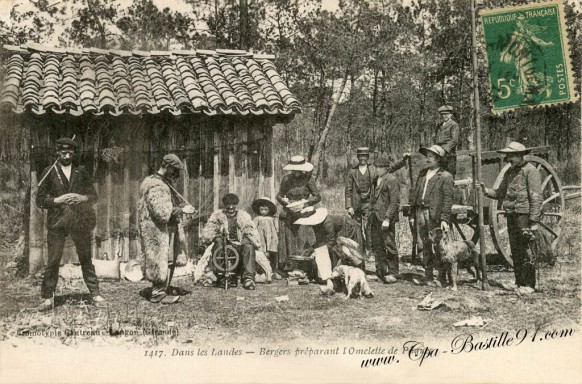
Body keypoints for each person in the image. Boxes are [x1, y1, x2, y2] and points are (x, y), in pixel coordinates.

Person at [36, 137, 104, 310]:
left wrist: (82, 198)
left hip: (79, 219)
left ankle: (95, 294)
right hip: (57, 222)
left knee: (86, 257)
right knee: (53, 260)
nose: (66, 156)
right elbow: (40, 200)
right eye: (63, 152)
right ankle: (47, 297)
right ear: (57, 152)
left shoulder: (81, 171)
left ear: (74, 153)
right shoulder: (49, 171)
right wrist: (58, 199)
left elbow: (93, 196)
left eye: (70, 153)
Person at [482, 142, 542, 291]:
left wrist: (534, 221)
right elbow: (500, 193)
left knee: (526, 250)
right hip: (511, 215)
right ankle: (519, 282)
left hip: (525, 215)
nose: (508, 158)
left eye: (511, 156)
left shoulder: (531, 171)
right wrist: (485, 190)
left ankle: (529, 285)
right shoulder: (510, 171)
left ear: (520, 155)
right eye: (508, 156)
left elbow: (536, 197)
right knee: (516, 250)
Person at [277, 155, 336, 294]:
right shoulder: (287, 179)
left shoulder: (308, 179)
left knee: (303, 238)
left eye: (299, 170)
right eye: (294, 170)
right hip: (290, 211)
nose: (296, 172)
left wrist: (307, 202)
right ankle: (290, 268)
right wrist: (284, 201)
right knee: (290, 238)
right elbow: (279, 195)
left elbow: (317, 196)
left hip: (304, 211)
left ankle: (305, 267)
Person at [138, 154, 190, 304]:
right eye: (174, 170)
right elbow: (161, 213)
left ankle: (163, 289)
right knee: (161, 260)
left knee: (170, 260)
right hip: (159, 230)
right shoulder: (156, 185)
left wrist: (180, 207)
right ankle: (157, 293)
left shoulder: (164, 183)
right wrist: (182, 210)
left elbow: (168, 207)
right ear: (166, 166)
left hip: (169, 228)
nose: (176, 174)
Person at [345, 147, 409, 255]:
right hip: (356, 205)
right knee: (356, 228)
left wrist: (403, 161)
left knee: (369, 227)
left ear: (368, 157)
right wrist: (349, 206)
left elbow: (390, 168)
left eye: (365, 156)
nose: (362, 158)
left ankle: (370, 250)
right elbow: (348, 190)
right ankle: (360, 251)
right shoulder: (352, 171)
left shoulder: (373, 169)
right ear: (357, 157)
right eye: (360, 156)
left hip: (369, 204)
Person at [409, 145, 454, 287]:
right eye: (426, 156)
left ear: (438, 159)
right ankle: (428, 276)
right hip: (420, 212)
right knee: (423, 244)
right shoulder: (423, 174)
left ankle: (440, 278)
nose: (427, 159)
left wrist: (444, 219)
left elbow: (448, 199)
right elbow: (415, 194)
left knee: (438, 246)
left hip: (434, 214)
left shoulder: (446, 176)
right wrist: (412, 214)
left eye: (430, 157)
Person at [201, 193, 261, 290]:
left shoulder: (244, 216)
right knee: (219, 242)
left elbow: (250, 230)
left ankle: (248, 278)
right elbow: (209, 230)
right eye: (228, 204)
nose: (231, 207)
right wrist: (217, 235)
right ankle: (219, 275)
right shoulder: (217, 215)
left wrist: (246, 238)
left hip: (239, 244)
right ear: (225, 205)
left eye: (233, 204)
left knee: (249, 246)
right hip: (225, 244)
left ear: (236, 205)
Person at [369, 157, 401, 284]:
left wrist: (387, 218)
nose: (377, 169)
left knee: (389, 245)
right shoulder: (376, 180)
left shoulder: (392, 180)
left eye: (380, 167)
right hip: (375, 217)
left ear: (387, 168)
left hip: (386, 219)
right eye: (376, 167)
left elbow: (395, 202)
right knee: (377, 246)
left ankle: (393, 273)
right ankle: (380, 272)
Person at [252, 197, 280, 279]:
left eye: (265, 210)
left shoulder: (272, 219)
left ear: (269, 210)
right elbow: (253, 227)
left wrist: (277, 234)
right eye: (262, 209)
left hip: (271, 239)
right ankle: (262, 271)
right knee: (262, 254)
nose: (263, 212)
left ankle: (273, 271)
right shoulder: (257, 218)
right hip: (261, 239)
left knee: (272, 254)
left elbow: (277, 228)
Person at [433, 105, 459, 176]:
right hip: (438, 154)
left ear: (451, 114)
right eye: (443, 114)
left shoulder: (454, 125)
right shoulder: (439, 125)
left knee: (449, 174)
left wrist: (444, 150)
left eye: (446, 114)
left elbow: (454, 140)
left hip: (449, 154)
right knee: (439, 173)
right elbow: (436, 139)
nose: (444, 116)